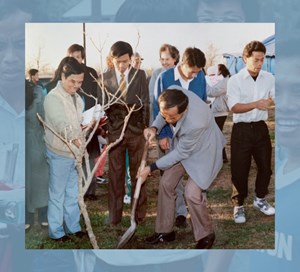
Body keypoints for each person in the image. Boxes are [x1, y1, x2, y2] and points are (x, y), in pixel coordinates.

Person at [139, 87, 225, 249]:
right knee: (166, 183)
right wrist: (154, 127)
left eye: (173, 117)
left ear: (184, 111)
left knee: (191, 193)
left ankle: (206, 234)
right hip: (184, 145)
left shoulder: (196, 122)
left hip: (205, 151)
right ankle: (165, 231)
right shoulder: (173, 93)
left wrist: (151, 168)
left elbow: (180, 153)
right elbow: (164, 113)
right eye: (167, 116)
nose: (169, 119)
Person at [153, 46, 207, 228]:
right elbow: (158, 108)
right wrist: (162, 134)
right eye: (192, 71)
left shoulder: (200, 76)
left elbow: (203, 102)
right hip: (170, 134)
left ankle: (197, 215)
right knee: (171, 177)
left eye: (198, 72)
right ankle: (179, 213)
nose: (195, 76)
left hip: (192, 136)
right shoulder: (164, 78)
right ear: (183, 64)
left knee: (195, 175)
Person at [98, 41, 149, 225]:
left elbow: (146, 103)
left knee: (138, 174)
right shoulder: (103, 78)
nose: (122, 65)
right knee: (115, 175)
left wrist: (146, 128)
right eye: (118, 61)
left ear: (130, 59)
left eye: (125, 61)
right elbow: (101, 107)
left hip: (137, 134)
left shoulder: (140, 75)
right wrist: (106, 130)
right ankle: (114, 216)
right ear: (112, 60)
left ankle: (139, 215)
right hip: (115, 135)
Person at [227, 40, 275, 224]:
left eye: (262, 59)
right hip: (242, 129)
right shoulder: (235, 80)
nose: (260, 63)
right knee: (240, 169)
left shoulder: (269, 78)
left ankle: (260, 199)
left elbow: (273, 98)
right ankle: (238, 205)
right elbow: (234, 107)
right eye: (256, 59)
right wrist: (257, 103)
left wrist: (269, 102)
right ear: (245, 58)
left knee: (265, 167)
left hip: (261, 128)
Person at [43, 57, 85, 241]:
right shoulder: (53, 98)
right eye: (72, 81)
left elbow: (78, 123)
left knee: (73, 193)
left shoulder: (78, 98)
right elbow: (61, 124)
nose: (75, 86)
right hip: (59, 153)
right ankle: (56, 231)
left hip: (75, 154)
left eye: (80, 82)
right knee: (57, 194)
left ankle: (74, 227)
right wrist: (74, 138)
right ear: (63, 76)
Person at [67, 43, 100, 201]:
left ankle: (91, 190)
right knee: (75, 157)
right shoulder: (66, 73)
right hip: (73, 121)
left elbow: (97, 95)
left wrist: (94, 116)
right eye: (74, 57)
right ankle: (77, 189)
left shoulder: (91, 72)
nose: (77, 60)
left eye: (79, 57)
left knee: (90, 156)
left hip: (89, 120)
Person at [25, 74, 48, 230]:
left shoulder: (37, 91)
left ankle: (43, 214)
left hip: (36, 140)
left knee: (40, 180)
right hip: (16, 143)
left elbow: (45, 118)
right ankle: (26, 216)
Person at [206, 64, 230, 163]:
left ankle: (221, 157)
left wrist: (204, 83)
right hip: (217, 111)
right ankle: (222, 157)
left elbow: (212, 92)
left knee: (216, 134)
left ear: (220, 71)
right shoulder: (221, 80)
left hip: (220, 112)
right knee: (216, 134)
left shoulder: (225, 81)